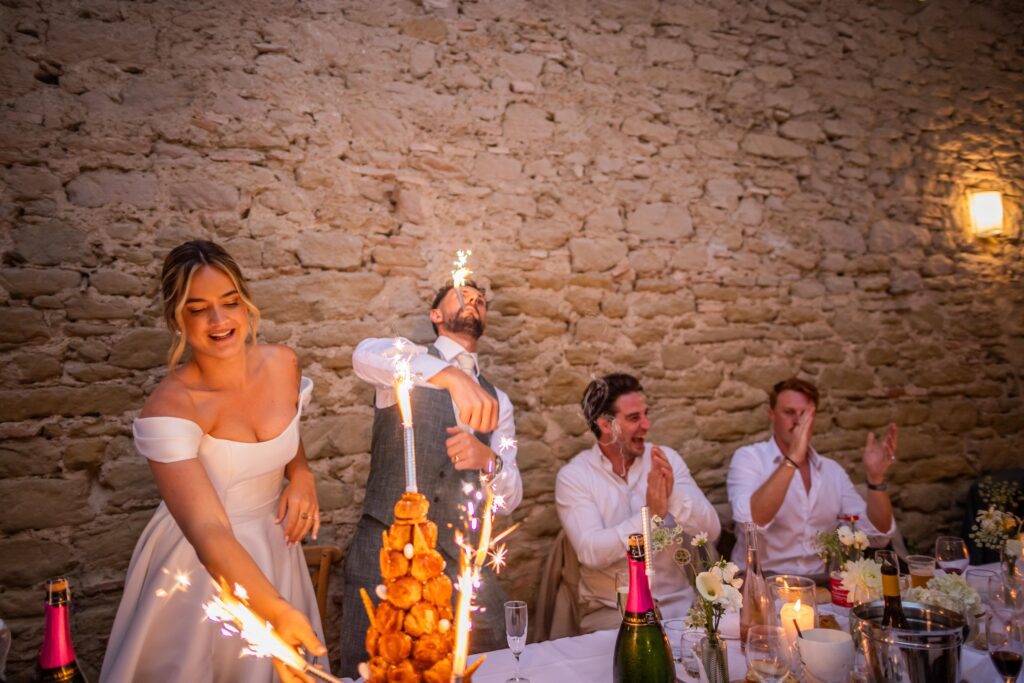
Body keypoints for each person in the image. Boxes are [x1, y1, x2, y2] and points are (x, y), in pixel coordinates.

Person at [101, 241, 328, 683]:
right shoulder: (170, 407)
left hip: (276, 546)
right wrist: (275, 609)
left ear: (246, 304)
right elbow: (209, 530)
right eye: (199, 308)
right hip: (201, 561)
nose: (220, 320)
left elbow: (285, 431)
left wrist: (301, 474)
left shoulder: (283, 363)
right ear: (176, 319)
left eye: (230, 302)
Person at [340, 280, 523, 677]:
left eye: (481, 301)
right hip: (387, 552)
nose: (473, 302)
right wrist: (452, 378)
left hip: (462, 562)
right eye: (463, 296)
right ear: (435, 315)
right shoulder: (406, 361)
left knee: (489, 660)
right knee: (375, 667)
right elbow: (362, 355)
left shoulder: (499, 400)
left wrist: (488, 460)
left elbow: (512, 497)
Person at [555, 373, 721, 633]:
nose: (647, 425)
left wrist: (671, 493)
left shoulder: (666, 460)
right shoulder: (575, 477)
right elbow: (591, 552)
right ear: (606, 424)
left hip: (679, 608)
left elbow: (710, 530)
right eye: (634, 418)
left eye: (645, 414)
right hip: (612, 612)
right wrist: (650, 517)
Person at [727, 377, 897, 576]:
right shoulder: (749, 458)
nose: (798, 421)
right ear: (771, 414)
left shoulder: (832, 471)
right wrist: (792, 460)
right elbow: (751, 523)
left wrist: (876, 479)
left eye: (805, 414)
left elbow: (877, 535)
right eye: (789, 412)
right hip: (759, 582)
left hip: (818, 585)